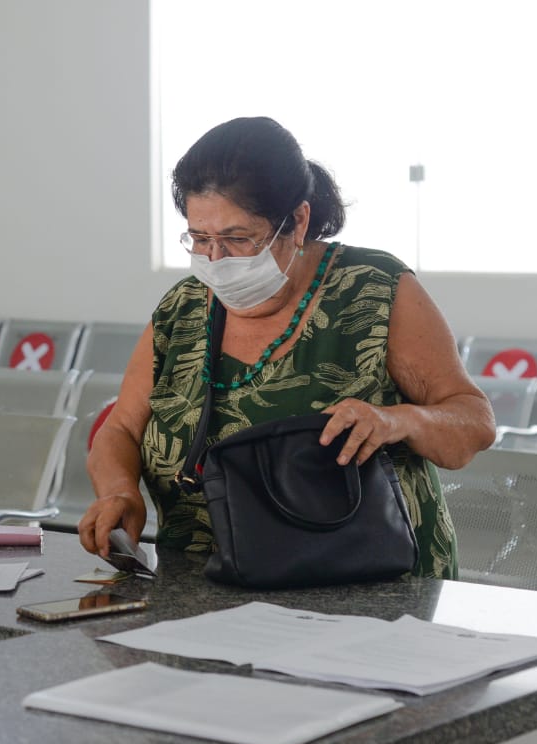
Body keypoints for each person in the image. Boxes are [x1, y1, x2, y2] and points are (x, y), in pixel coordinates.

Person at [78, 117, 494, 580]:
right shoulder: (183, 310)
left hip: (375, 593)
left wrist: (397, 421)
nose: (215, 260)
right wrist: (119, 491)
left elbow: (474, 422)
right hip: (205, 588)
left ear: (297, 220)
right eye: (199, 238)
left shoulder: (374, 289)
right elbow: (121, 431)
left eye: (238, 239)